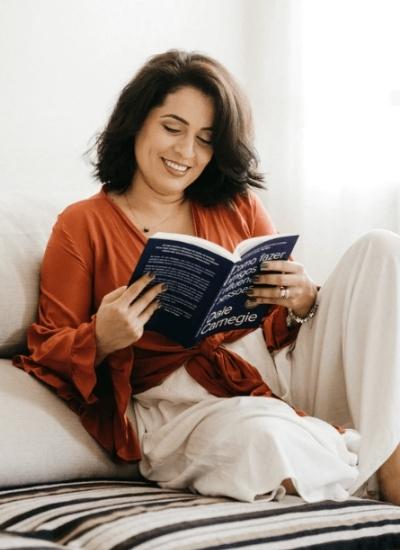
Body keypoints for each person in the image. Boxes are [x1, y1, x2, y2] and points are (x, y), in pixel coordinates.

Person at [14, 49, 400, 504]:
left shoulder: (237, 205)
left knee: (383, 249)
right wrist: (101, 336)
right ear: (137, 122)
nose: (185, 152)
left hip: (275, 369)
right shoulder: (81, 225)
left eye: (205, 139)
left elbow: (280, 327)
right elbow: (46, 351)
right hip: (180, 405)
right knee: (265, 440)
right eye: (172, 128)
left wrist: (303, 300)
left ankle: (374, 461)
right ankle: (366, 461)